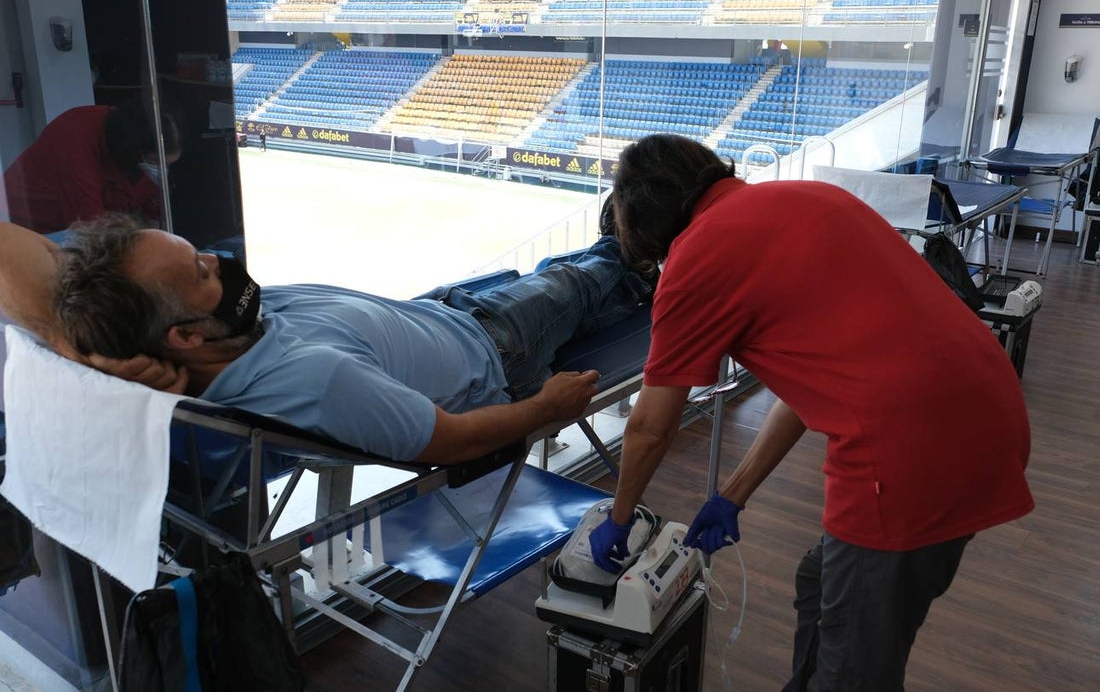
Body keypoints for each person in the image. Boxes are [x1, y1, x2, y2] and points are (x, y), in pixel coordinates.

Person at [588, 134, 1034, 692]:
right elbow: (814, 388)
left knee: (854, 678)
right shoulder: (807, 199)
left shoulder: (699, 254)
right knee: (820, 580)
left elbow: (648, 427)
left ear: (649, 221)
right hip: (988, 414)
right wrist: (732, 494)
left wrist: (619, 518)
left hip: (910, 453)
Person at [0, 215, 651, 465]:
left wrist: (69, 341)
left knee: (572, 282)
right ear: (186, 334)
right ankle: (635, 256)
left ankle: (623, 264)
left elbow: (14, 252)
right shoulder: (319, 382)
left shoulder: (200, 335)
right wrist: (550, 408)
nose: (218, 260)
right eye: (201, 271)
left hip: (438, 313)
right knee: (577, 281)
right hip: (492, 346)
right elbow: (452, 441)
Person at [2, 97, 182, 234]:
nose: (161, 170)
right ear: (136, 150)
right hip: (21, 226)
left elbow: (156, 208)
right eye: (157, 162)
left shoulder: (139, 144)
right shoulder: (76, 145)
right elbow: (93, 232)